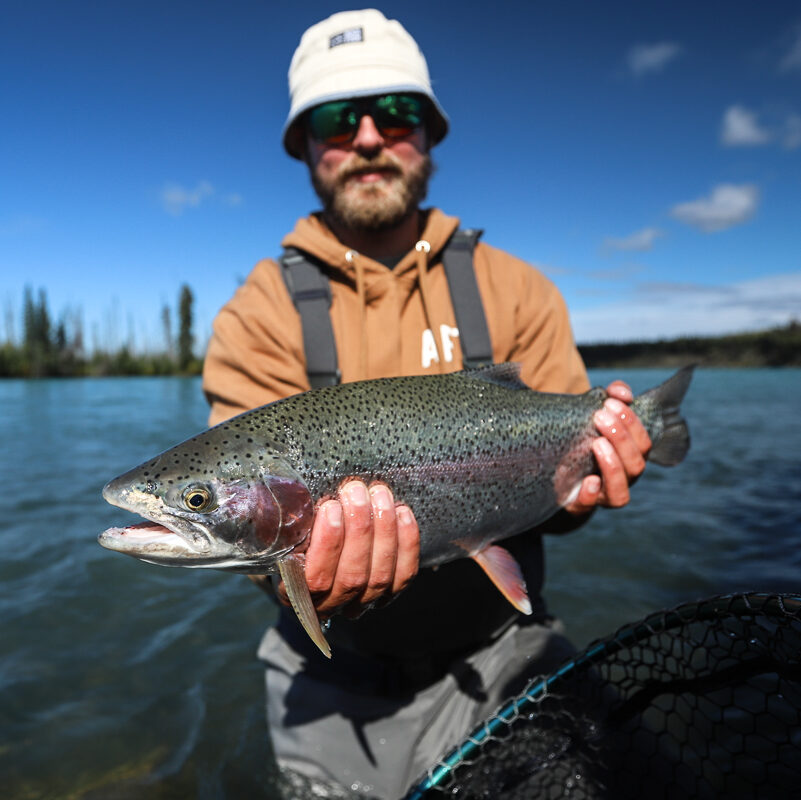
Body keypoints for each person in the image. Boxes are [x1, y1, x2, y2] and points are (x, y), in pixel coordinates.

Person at [202, 9, 652, 798]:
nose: (369, 138)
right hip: (329, 674)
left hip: (504, 648)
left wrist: (592, 476)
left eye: (396, 113)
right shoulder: (257, 314)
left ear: (430, 133)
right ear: (304, 144)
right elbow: (256, 548)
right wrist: (302, 576)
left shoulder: (517, 288)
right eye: (338, 120)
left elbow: (569, 501)